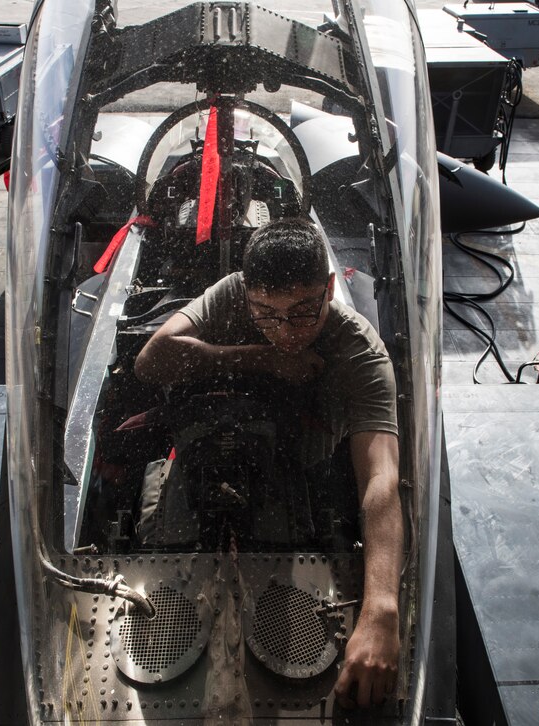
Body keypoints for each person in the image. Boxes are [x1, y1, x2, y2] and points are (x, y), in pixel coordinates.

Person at [134, 218, 403, 709]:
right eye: (266, 314)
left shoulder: (359, 352)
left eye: (303, 313)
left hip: (305, 475)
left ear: (327, 289)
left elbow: (381, 479)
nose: (286, 331)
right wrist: (262, 359)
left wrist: (381, 611)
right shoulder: (234, 294)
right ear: (247, 293)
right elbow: (151, 360)